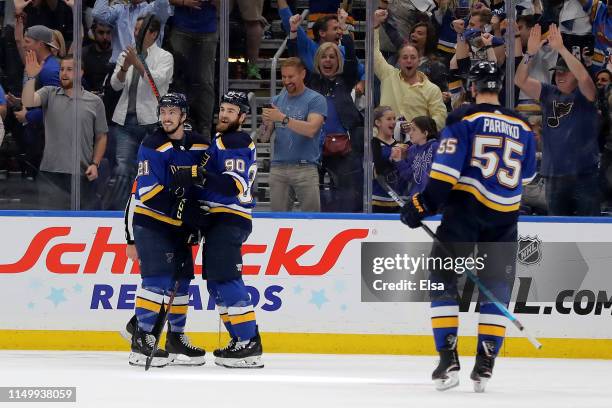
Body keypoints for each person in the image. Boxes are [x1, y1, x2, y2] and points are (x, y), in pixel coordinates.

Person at [400, 61, 536, 392]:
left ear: (473, 87)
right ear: (499, 87)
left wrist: (420, 206)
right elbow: (528, 177)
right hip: (504, 217)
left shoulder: (462, 121)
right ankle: (486, 362)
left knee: (441, 280)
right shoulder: (523, 126)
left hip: (465, 213)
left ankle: (448, 360)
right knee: (496, 285)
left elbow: (444, 176)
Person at [172, 91, 263, 369]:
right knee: (215, 283)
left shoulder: (235, 140)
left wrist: (196, 174)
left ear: (242, 117)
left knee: (225, 280)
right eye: (222, 109)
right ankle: (240, 340)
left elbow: (230, 185)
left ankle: (249, 343)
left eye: (231, 111)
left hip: (229, 218)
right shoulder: (221, 140)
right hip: (217, 219)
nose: (223, 114)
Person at [126, 93, 209, 367]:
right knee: (157, 280)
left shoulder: (199, 144)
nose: (166, 117)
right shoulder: (152, 144)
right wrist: (186, 213)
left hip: (177, 227)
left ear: (184, 116)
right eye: (163, 111)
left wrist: (195, 216)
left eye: (173, 112)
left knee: (182, 282)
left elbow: (205, 181)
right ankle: (142, 339)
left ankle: (175, 338)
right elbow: (149, 192)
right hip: (152, 223)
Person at [515, 24, 600, 216]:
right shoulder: (548, 92)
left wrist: (561, 49)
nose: (559, 76)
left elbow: (585, 79)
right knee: (558, 232)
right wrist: (529, 54)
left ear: (574, 75)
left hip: (584, 175)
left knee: (590, 232)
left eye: (565, 72)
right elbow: (520, 80)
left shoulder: (584, 95)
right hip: (554, 176)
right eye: (557, 72)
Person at [287, 16, 364, 212]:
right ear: (317, 61)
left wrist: (345, 30)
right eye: (323, 56)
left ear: (338, 60)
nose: (328, 60)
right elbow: (294, 62)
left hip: (344, 148)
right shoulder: (310, 81)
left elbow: (352, 59)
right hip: (315, 148)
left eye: (332, 56)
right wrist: (294, 33)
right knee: (313, 198)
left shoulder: (346, 79)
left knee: (349, 196)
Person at [21, 53, 108, 209]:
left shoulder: (95, 101)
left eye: (69, 69)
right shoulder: (49, 93)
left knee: (81, 227)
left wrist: (95, 163)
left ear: (81, 73)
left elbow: (101, 136)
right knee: (51, 221)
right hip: (51, 173)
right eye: (62, 69)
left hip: (81, 174)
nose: (64, 73)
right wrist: (30, 77)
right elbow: (28, 101)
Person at [104, 15, 174, 210]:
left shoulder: (164, 57)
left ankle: (151, 208)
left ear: (153, 34)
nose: (136, 34)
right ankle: (120, 210)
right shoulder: (127, 54)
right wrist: (124, 67)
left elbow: (157, 83)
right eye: (135, 30)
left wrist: (137, 63)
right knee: (122, 167)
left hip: (151, 121)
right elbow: (115, 85)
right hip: (125, 120)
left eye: (140, 30)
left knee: (150, 168)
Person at [261, 57, 327, 212]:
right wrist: (266, 122)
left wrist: (282, 119)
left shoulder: (316, 99)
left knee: (312, 220)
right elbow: (263, 137)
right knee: (278, 221)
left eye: (291, 77)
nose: (286, 81)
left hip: (306, 168)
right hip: (278, 168)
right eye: (283, 77)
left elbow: (311, 130)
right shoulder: (276, 100)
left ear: (302, 74)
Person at [373, 9, 447, 132]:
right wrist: (375, 26)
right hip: (385, 144)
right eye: (405, 57)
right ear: (399, 61)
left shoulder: (432, 89)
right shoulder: (388, 75)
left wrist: (417, 128)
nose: (408, 61)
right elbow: (373, 53)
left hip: (417, 147)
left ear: (419, 61)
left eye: (413, 57)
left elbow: (440, 118)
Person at [371, 105, 406, 213]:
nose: (393, 122)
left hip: (401, 200)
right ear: (378, 123)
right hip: (379, 200)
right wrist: (390, 159)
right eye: (389, 119)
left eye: (394, 118)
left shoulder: (401, 145)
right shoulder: (372, 144)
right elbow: (372, 171)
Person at [395, 116, 440, 197]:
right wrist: (399, 160)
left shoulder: (436, 147)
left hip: (433, 198)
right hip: (415, 197)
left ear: (425, 133)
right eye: (410, 129)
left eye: (414, 129)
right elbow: (409, 176)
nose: (410, 133)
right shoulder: (412, 149)